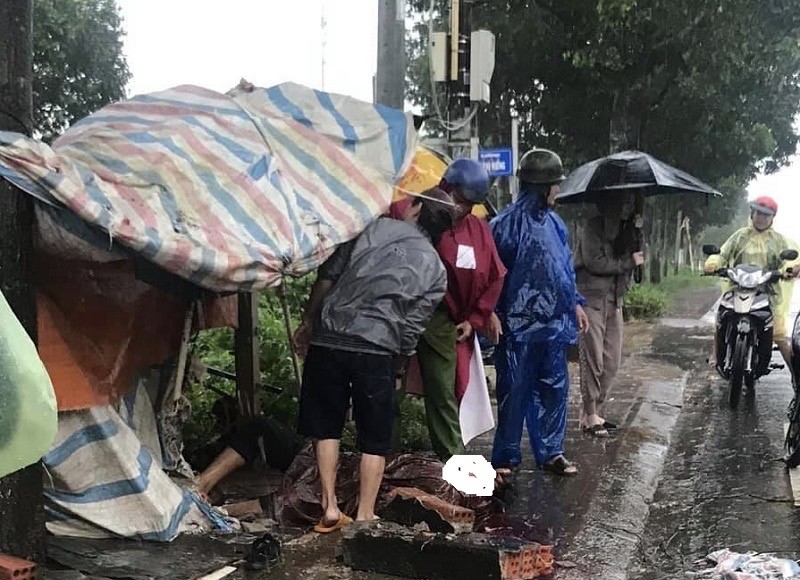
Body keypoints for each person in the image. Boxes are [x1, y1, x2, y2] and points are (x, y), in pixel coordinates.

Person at [291, 191, 450, 532]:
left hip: (330, 338)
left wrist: (309, 321)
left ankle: (330, 506)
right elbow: (413, 326)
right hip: (378, 348)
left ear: (417, 209)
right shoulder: (436, 270)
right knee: (375, 436)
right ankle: (365, 513)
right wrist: (398, 363)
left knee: (326, 425)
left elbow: (328, 275)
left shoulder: (371, 229)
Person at [392, 159, 506, 460]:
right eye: (458, 200)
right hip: (396, 311)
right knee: (387, 386)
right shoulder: (406, 210)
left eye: (469, 205)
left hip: (442, 319)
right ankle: (381, 454)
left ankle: (454, 460)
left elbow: (494, 275)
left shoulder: (478, 230)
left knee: (443, 390)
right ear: (446, 187)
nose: (461, 209)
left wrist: (476, 318)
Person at [490, 148, 589, 477]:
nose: (558, 191)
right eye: (555, 185)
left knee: (554, 387)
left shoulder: (556, 225)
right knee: (514, 391)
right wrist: (492, 314)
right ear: (542, 186)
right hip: (516, 327)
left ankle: (551, 451)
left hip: (553, 325)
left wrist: (574, 302)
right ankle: (505, 457)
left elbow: (564, 269)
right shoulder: (504, 225)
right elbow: (492, 276)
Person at [573, 193, 644, 437]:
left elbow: (634, 259)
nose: (626, 206)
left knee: (612, 361)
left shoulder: (627, 231)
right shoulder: (592, 228)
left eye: (629, 202)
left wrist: (636, 237)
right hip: (591, 298)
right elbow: (596, 263)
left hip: (615, 300)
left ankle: (595, 411)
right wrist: (626, 262)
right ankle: (590, 411)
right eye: (622, 202)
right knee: (594, 359)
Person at [704, 195, 800, 368]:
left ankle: (797, 380)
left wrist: (790, 269)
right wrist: (712, 264)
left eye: (766, 215)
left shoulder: (778, 240)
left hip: (767, 291)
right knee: (721, 318)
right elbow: (723, 253)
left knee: (779, 335)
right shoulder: (739, 236)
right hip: (738, 287)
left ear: (772, 218)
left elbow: (789, 259)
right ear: (752, 213)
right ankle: (716, 354)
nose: (761, 218)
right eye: (759, 213)